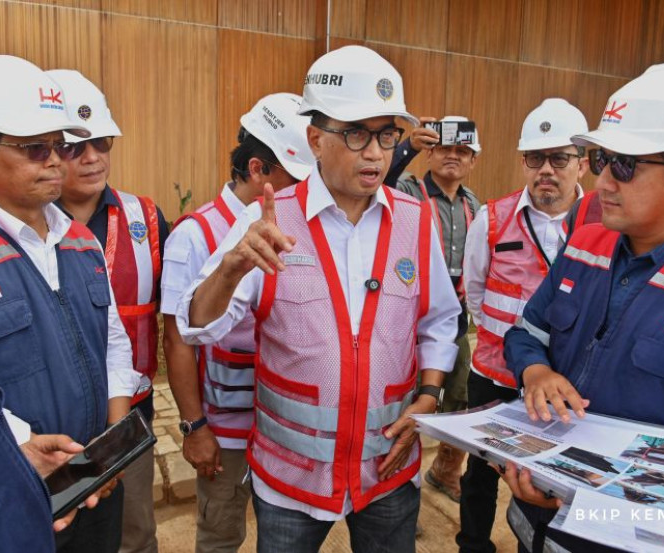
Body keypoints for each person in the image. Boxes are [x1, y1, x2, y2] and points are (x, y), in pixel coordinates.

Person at [176, 45, 461, 553]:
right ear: (315, 140)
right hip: (292, 481)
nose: (375, 152)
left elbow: (439, 320)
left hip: (386, 470)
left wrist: (430, 394)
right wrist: (231, 268)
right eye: (356, 133)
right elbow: (197, 326)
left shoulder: (416, 222)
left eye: (386, 134)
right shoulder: (268, 220)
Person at [501, 63, 664, 553]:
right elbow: (525, 333)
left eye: (625, 166)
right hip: (534, 522)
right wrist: (536, 371)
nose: (603, 181)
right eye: (602, 158)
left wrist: (571, 496)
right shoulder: (586, 243)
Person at [0, 54, 141, 553]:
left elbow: (112, 341)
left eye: (59, 145)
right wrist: (26, 451)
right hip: (19, 492)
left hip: (99, 479)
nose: (56, 160)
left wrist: (114, 436)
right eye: (35, 149)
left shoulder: (81, 243)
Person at [161, 92, 314, 553]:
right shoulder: (195, 234)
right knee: (222, 534)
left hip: (283, 426)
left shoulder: (300, 228)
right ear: (257, 170)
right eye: (295, 178)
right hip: (225, 430)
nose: (306, 190)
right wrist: (194, 427)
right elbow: (178, 340)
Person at [456, 98, 588, 553]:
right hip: (493, 374)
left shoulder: (603, 226)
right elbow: (475, 291)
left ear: (582, 164)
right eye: (535, 158)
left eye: (559, 158)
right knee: (480, 472)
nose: (545, 169)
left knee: (548, 475)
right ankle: (473, 544)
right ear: (524, 162)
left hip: (559, 382)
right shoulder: (492, 219)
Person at [47, 68, 169, 553]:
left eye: (101, 141)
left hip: (127, 416)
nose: (93, 157)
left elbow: (183, 316)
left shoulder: (146, 219)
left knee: (134, 532)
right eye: (75, 145)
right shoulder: (29, 223)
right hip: (51, 425)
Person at [388, 115, 482, 502]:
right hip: (407, 314)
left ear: (473, 161)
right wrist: (408, 146)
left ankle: (445, 470)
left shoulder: (473, 203)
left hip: (455, 317)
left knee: (460, 397)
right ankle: (396, 483)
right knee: (408, 396)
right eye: (444, 148)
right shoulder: (407, 190)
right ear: (430, 153)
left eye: (462, 151)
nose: (453, 157)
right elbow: (382, 179)